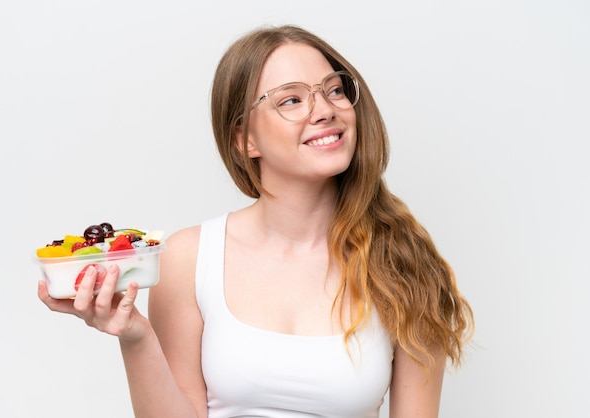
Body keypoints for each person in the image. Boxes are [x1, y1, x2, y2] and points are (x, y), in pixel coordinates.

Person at [39, 24, 474, 418]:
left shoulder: (404, 262)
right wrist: (135, 337)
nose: (324, 110)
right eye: (291, 99)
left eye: (334, 90)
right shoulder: (190, 258)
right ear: (244, 138)